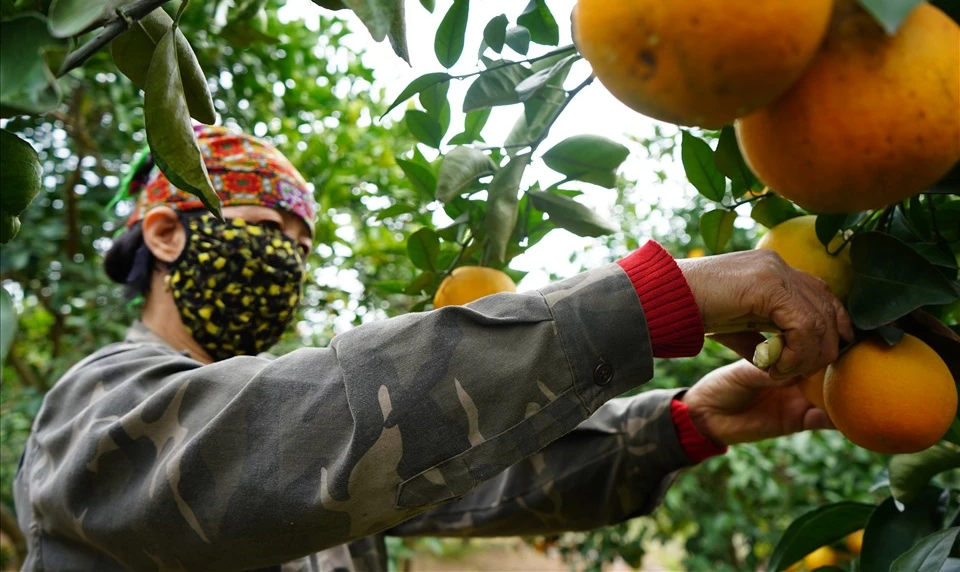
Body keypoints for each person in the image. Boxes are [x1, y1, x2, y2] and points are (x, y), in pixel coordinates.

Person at [13, 126, 851, 571]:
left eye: (303, 250)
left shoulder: (324, 462)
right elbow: (294, 434)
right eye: (268, 232)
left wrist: (683, 424)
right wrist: (648, 302)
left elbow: (487, 475)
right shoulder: (95, 411)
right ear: (164, 234)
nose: (289, 267)